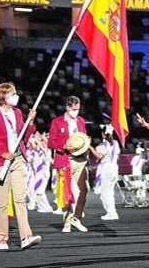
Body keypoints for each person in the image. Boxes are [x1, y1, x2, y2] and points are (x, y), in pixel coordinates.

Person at [0, 82, 41, 250]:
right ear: (3, 96)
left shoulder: (17, 113)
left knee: (20, 200)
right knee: (1, 202)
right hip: (1, 163)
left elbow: (24, 137)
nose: (16, 96)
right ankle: (1, 238)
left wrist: (30, 122)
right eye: (13, 94)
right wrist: (1, 153)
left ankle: (26, 236)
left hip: (18, 160)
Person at [48, 96, 91, 232]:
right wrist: (64, 146)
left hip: (80, 160)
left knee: (84, 190)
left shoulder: (81, 121)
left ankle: (76, 218)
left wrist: (86, 142)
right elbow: (51, 142)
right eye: (73, 109)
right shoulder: (57, 122)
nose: (76, 112)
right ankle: (66, 222)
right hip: (65, 160)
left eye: (78, 109)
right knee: (66, 192)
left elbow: (83, 137)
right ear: (67, 107)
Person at [94, 124, 121, 220]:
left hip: (106, 169)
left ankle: (111, 213)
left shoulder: (103, 146)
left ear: (103, 134)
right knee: (110, 192)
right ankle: (112, 212)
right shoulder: (116, 143)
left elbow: (99, 156)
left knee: (105, 193)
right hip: (114, 168)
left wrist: (90, 147)